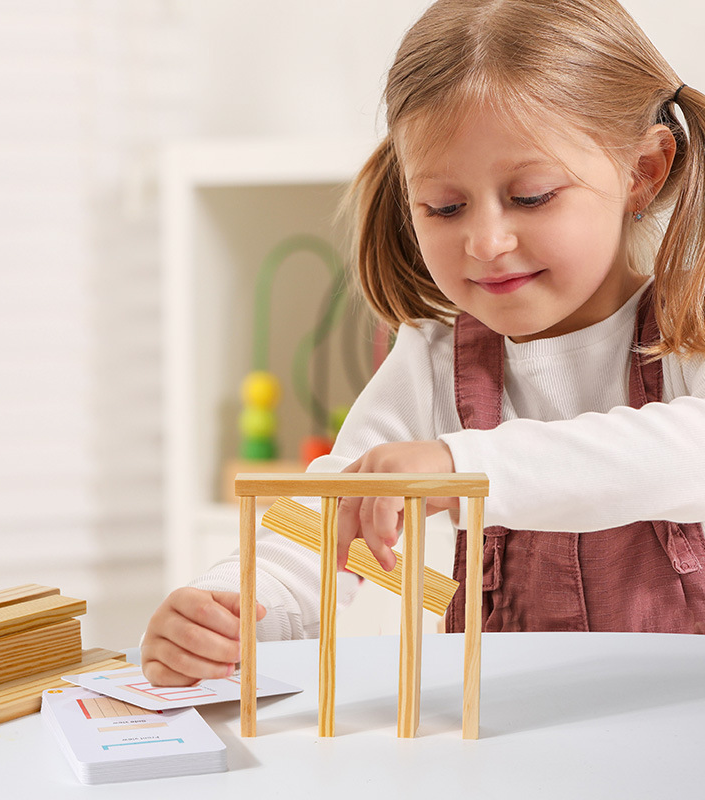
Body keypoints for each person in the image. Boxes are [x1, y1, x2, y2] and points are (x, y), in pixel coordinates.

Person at [143, 0, 705, 687]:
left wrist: (458, 464)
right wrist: (228, 607)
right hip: (513, 741)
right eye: (443, 206)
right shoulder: (437, 364)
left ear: (642, 173)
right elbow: (321, 525)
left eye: (531, 196)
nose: (486, 242)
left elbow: (688, 453)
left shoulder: (689, 324)